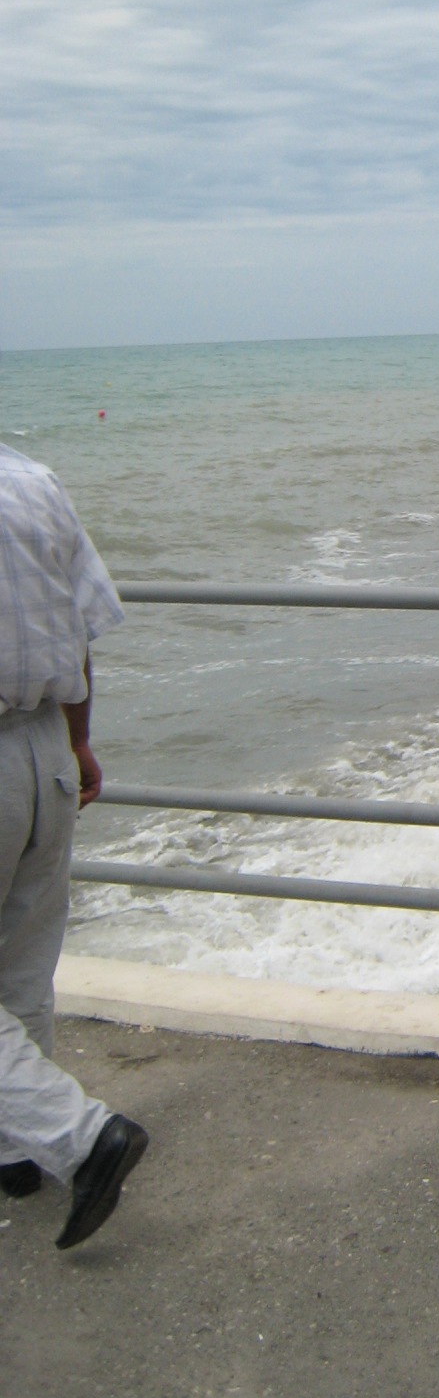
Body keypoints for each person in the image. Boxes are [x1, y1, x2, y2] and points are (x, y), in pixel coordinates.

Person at [0, 444, 147, 1248]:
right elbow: (81, 624)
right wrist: (76, 741)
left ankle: (81, 1138)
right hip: (41, 745)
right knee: (23, 962)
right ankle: (17, 1152)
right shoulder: (31, 480)